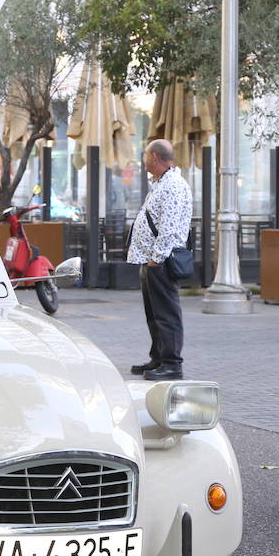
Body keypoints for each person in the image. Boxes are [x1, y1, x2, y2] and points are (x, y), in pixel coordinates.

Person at [127, 139, 193, 381]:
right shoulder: (160, 183)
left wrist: (156, 259)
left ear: (154, 156)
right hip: (151, 260)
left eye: (145, 155)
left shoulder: (174, 185)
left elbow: (170, 228)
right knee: (154, 313)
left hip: (161, 261)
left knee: (166, 313)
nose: (143, 159)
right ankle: (158, 357)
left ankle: (172, 364)